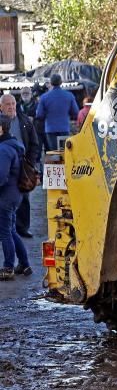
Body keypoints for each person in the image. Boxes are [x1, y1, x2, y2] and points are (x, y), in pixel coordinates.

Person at [0, 94, 40, 239]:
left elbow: (35, 144)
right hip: (3, 164)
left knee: (24, 197)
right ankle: (4, 228)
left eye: (13, 104)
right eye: (7, 104)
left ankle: (23, 228)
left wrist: (30, 162)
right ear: (1, 107)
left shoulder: (25, 121)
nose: (11, 107)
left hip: (21, 165)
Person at [0, 115, 29, 280]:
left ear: (1, 128)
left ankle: (8, 267)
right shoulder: (14, 144)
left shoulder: (3, 149)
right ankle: (24, 264)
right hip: (15, 194)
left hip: (6, 196)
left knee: (5, 232)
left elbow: (1, 176)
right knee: (11, 230)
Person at [35, 74, 78, 151]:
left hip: (50, 129)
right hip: (64, 128)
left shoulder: (44, 97)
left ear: (51, 83)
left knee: (54, 153)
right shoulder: (69, 95)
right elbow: (75, 112)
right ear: (61, 82)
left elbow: (39, 115)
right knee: (65, 152)